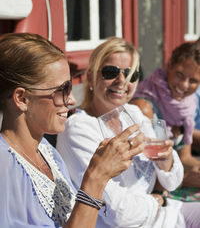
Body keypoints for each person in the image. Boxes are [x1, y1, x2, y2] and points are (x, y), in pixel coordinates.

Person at [0, 33, 145, 228]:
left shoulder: (47, 152)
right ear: (22, 99)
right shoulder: (5, 167)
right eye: (62, 90)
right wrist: (97, 177)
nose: (72, 100)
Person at [57, 37, 200, 228]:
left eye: (131, 75)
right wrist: (157, 199)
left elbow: (173, 181)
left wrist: (166, 162)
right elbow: (118, 215)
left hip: (167, 215)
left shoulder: (134, 113)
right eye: (111, 72)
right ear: (90, 77)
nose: (122, 81)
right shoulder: (79, 129)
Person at [130, 40, 200, 191]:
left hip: (172, 181)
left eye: (193, 81)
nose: (184, 85)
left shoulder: (187, 105)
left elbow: (185, 157)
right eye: (180, 75)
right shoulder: (144, 108)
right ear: (169, 66)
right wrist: (186, 180)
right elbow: (144, 174)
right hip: (151, 193)